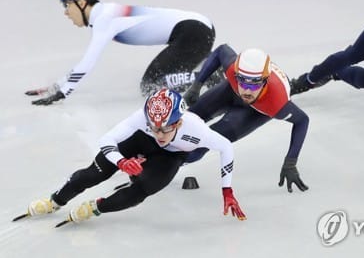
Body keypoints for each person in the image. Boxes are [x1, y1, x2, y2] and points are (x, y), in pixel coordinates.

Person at [16, 88, 246, 225]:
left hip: (170, 157)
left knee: (142, 190)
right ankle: (54, 201)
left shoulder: (196, 130)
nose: (159, 134)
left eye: (165, 128)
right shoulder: (142, 119)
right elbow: (106, 141)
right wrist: (122, 162)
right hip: (138, 142)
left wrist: (227, 190)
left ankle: (96, 207)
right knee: (92, 174)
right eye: (154, 127)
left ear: (178, 122)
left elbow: (226, 148)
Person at [25, 0, 220, 105]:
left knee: (151, 85)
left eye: (67, 5)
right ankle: (211, 62)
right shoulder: (107, 13)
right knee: (153, 82)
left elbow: (87, 62)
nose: (66, 12)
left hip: (194, 32)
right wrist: (56, 85)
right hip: (195, 30)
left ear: (82, 2)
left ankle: (213, 77)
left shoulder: (105, 19)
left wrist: (61, 92)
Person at [182, 44, 309, 193]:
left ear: (265, 81)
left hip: (256, 112)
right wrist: (196, 86)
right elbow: (221, 50)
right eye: (243, 81)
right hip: (231, 91)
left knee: (203, 142)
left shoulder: (277, 103)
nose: (247, 91)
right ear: (236, 75)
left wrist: (290, 162)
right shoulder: (231, 67)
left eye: (254, 84)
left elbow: (302, 121)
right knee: (184, 121)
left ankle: (166, 165)